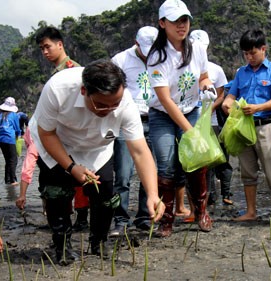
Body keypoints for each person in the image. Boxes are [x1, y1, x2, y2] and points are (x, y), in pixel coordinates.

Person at [29, 60, 164, 265]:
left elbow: (139, 151)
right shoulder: (58, 88)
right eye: (101, 105)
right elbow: (46, 133)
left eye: (114, 105)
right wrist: (72, 167)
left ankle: (98, 242)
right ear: (84, 91)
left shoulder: (125, 103)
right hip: (57, 142)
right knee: (57, 192)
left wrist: (153, 194)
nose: (108, 110)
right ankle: (62, 246)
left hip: (97, 147)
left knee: (106, 193)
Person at [147, 0, 216, 237]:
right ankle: (166, 220)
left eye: (185, 20)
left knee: (196, 162)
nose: (181, 25)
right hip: (163, 115)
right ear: (162, 23)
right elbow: (165, 100)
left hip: (190, 109)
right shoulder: (157, 56)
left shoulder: (197, 48)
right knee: (166, 165)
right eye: (175, 21)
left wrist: (207, 86)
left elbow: (204, 76)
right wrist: (190, 130)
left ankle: (201, 211)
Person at [222, 29, 271, 227]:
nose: (249, 57)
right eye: (246, 54)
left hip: (266, 126)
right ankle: (251, 211)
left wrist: (258, 107)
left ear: (263, 49)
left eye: (253, 53)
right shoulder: (241, 72)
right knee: (247, 171)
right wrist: (227, 103)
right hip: (244, 128)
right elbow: (231, 95)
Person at [28, 26, 88, 232]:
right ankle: (65, 223)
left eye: (48, 47)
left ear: (60, 44)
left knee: (71, 178)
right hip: (54, 133)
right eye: (41, 48)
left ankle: (77, 220)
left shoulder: (71, 70)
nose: (45, 52)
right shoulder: (57, 71)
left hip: (67, 133)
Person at [109, 26, 158, 237]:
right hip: (127, 121)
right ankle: (120, 220)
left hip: (155, 119)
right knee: (123, 173)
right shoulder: (120, 60)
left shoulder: (162, 57)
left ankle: (144, 216)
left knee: (150, 171)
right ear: (136, 43)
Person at [189, 29, 232, 207]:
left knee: (219, 158)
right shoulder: (185, 68)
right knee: (203, 162)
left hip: (212, 122)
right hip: (191, 123)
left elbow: (221, 96)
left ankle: (226, 193)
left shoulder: (215, 69)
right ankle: (210, 197)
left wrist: (208, 111)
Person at [0, 97, 21, 186]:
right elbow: (17, 128)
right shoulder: (14, 115)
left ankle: (7, 180)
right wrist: (18, 135)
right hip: (9, 139)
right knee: (13, 160)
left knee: (8, 160)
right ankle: (13, 180)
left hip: (1, 140)